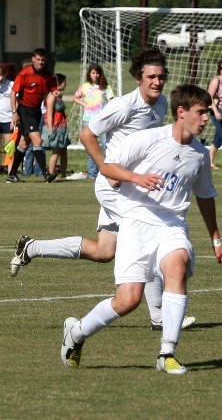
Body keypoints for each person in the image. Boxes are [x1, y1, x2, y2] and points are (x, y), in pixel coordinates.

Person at [10, 48, 195, 331]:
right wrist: (106, 168)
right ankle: (160, 316)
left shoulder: (160, 104)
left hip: (133, 186)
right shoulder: (124, 106)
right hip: (114, 186)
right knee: (150, 235)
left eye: (161, 77)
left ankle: (32, 247)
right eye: (151, 77)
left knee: (104, 251)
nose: (157, 82)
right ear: (138, 78)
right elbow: (87, 134)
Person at [60, 84, 222, 374]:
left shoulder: (200, 155)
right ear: (181, 112)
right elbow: (108, 167)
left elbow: (205, 197)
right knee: (128, 301)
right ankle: (76, 333)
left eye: (207, 113)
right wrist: (136, 178)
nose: (206, 119)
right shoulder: (148, 139)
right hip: (137, 222)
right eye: (201, 112)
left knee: (177, 265)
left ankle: (167, 353)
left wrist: (216, 240)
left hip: (172, 225)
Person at [7, 48, 58, 183]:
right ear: (33, 59)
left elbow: (53, 89)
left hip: (36, 111)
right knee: (37, 141)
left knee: (24, 144)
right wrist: (14, 113)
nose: (40, 62)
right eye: (38, 59)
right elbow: (13, 93)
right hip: (25, 110)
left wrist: (56, 93)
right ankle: (46, 174)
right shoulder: (24, 74)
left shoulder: (46, 75)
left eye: (43, 60)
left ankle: (11, 175)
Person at [73, 63, 114, 178]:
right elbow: (75, 97)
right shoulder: (85, 86)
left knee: (106, 145)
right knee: (91, 147)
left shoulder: (105, 86)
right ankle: (92, 174)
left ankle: (107, 171)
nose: (95, 75)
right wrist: (84, 104)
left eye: (97, 73)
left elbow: (111, 100)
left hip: (102, 120)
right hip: (88, 120)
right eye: (93, 73)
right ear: (89, 74)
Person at [42, 73, 70, 180]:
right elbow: (49, 114)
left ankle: (63, 175)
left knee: (63, 152)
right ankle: (50, 174)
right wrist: (51, 129)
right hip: (55, 127)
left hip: (62, 127)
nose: (66, 85)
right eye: (64, 82)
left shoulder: (59, 96)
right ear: (59, 83)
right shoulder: (51, 96)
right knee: (56, 152)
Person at [0, 65, 14, 173]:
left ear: (5, 74)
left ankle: (10, 172)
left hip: (8, 119)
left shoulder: (11, 85)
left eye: (1, 75)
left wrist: (14, 116)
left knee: (9, 147)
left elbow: (16, 102)